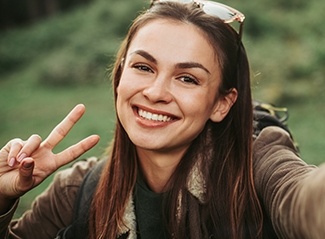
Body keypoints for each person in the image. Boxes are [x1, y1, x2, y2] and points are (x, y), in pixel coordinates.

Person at [0, 0, 325, 238]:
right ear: (119, 76)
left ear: (221, 104)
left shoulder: (257, 167)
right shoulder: (77, 192)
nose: (156, 92)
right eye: (143, 67)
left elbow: (303, 201)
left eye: (187, 78)